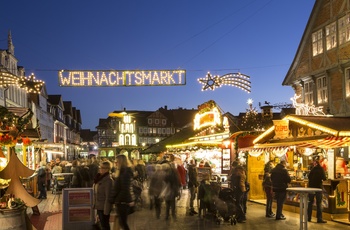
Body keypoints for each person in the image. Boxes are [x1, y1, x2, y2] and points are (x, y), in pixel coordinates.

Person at [110, 154, 135, 230]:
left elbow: (125, 188)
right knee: (122, 222)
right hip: (121, 200)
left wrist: (117, 200)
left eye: (116, 162)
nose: (115, 163)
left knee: (123, 223)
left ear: (120, 162)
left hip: (122, 201)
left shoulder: (125, 173)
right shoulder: (122, 172)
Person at [93, 161, 114, 230]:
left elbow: (108, 196)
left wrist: (106, 210)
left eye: (101, 168)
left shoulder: (108, 180)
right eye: (100, 167)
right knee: (102, 224)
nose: (99, 169)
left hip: (103, 207)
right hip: (99, 205)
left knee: (104, 225)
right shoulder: (99, 178)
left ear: (107, 169)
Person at [307, 157, 327, 223]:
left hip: (311, 187)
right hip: (318, 188)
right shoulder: (321, 169)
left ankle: (308, 217)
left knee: (310, 202)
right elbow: (324, 178)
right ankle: (319, 218)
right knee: (319, 203)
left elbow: (308, 177)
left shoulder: (312, 169)